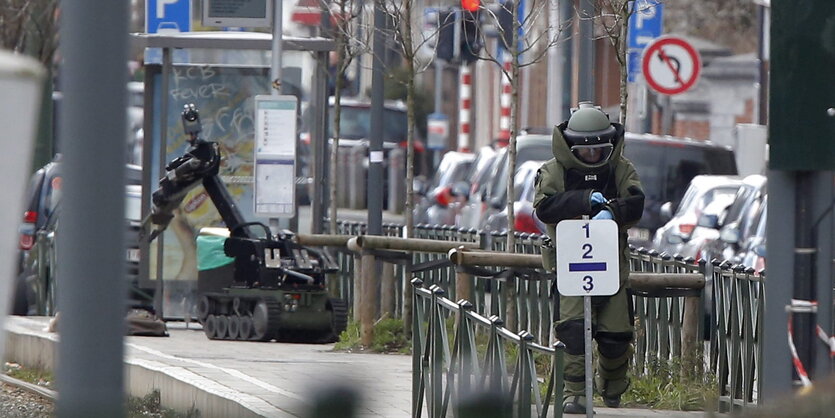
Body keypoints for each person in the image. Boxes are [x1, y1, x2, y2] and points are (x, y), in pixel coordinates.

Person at [533, 102, 645, 414]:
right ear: (571, 147)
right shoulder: (553, 171)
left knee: (616, 334)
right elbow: (545, 207)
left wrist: (612, 211)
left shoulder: (622, 170)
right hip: (570, 266)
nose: (593, 157)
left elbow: (636, 203)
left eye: (600, 150)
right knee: (573, 331)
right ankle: (574, 394)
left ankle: (611, 385)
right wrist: (583, 201)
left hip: (612, 267)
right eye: (586, 152)